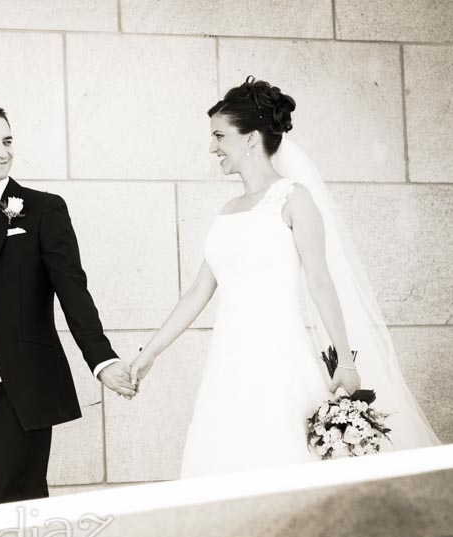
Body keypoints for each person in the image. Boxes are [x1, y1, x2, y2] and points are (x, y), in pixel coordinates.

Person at [130, 77, 440, 477]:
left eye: (219, 136)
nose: (212, 147)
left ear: (251, 138)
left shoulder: (294, 198)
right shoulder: (228, 210)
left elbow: (321, 282)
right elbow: (196, 292)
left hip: (277, 357)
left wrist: (345, 360)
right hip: (227, 364)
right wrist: (148, 354)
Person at [0, 103, 136, 504]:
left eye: (8, 141)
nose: (3, 151)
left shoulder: (44, 208)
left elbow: (72, 289)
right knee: (7, 497)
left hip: (23, 382)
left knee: (10, 496)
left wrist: (101, 359)